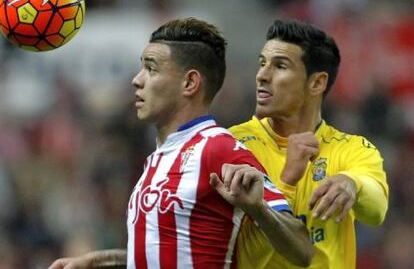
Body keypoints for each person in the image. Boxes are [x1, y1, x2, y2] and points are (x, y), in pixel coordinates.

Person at [48, 18, 313, 269]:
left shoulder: (217, 148)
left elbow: (303, 249)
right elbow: (164, 253)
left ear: (189, 83)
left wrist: (260, 210)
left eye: (151, 69)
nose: (137, 80)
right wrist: (97, 262)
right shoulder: (157, 159)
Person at [231, 19, 389, 269]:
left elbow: (377, 210)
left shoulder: (350, 148)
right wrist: (287, 182)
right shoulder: (233, 145)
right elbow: (241, 255)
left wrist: (352, 183)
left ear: (316, 83)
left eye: (280, 66)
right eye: (262, 64)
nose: (262, 75)